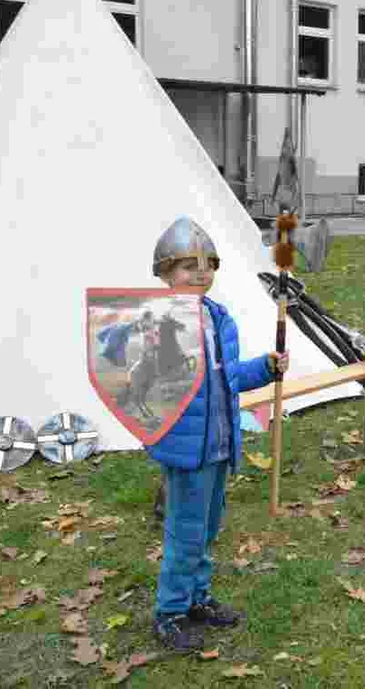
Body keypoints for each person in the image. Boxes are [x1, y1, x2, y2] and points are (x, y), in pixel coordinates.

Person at [147, 216, 289, 653]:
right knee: (183, 535)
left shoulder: (218, 318)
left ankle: (197, 599)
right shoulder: (157, 322)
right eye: (188, 266)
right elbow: (142, 383)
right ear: (166, 274)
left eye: (207, 264)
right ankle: (169, 613)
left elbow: (227, 379)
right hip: (188, 450)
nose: (200, 273)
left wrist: (265, 367)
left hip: (220, 443)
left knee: (206, 531)